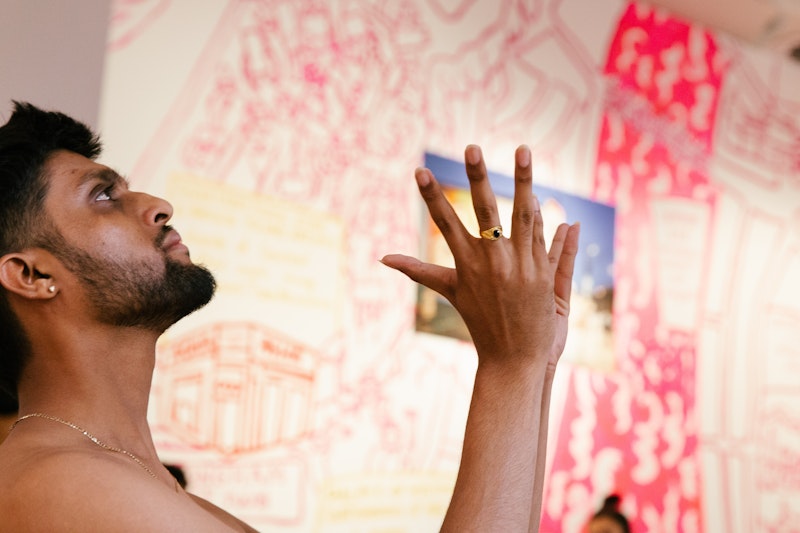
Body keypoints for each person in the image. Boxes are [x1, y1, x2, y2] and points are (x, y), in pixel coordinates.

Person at [0, 101, 579, 532]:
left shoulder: (143, 486)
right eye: (103, 196)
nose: (156, 206)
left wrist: (537, 363)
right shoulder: (57, 481)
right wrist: (512, 363)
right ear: (32, 275)